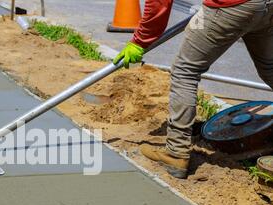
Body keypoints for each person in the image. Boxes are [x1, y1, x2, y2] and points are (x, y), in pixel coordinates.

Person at [113, 0, 273, 179]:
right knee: (270, 67)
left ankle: (176, 153)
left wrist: (141, 40)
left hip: (233, 6)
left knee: (185, 70)